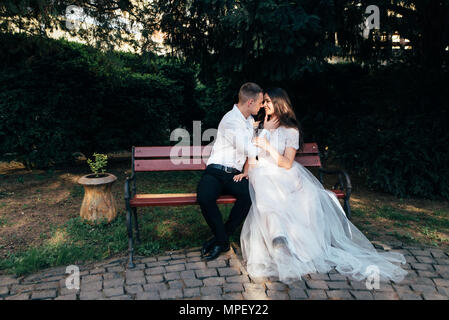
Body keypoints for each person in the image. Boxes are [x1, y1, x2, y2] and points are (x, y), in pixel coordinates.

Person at [239, 87, 408, 284]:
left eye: (268, 101)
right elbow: (251, 153)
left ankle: (285, 240)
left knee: (287, 195)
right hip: (263, 172)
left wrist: (267, 145)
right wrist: (256, 150)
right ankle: (278, 238)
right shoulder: (260, 125)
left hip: (284, 173)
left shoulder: (290, 130)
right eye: (264, 101)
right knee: (265, 187)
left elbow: (286, 163)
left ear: (279, 103)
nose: (264, 105)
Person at [197, 82, 279, 261]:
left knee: (248, 196)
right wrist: (265, 135)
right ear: (250, 102)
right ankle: (223, 241)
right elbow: (250, 149)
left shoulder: (248, 120)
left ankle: (221, 238)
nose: (261, 105)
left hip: (233, 174)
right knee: (204, 197)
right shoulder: (231, 121)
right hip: (216, 170)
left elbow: (253, 137)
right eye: (259, 102)